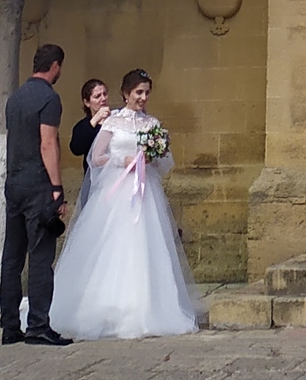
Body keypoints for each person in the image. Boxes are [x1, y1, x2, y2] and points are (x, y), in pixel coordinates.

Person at [51, 67, 207, 340]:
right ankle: (108, 307)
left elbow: (165, 162)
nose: (143, 97)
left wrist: (151, 158)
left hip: (145, 194)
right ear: (125, 94)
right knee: (113, 246)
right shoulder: (113, 122)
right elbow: (95, 157)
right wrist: (120, 161)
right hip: (116, 192)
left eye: (146, 92)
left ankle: (146, 308)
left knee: (146, 247)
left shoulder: (152, 125)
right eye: (138, 92)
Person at [0, 43, 73, 348]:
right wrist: (57, 188)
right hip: (37, 186)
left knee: (12, 257)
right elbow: (48, 143)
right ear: (55, 66)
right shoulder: (49, 98)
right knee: (41, 256)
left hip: (13, 183)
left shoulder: (15, 98)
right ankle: (39, 325)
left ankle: (9, 326)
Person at [67, 78, 110, 212]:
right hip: (93, 182)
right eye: (97, 96)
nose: (103, 99)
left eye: (104, 94)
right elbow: (76, 148)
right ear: (87, 102)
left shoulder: (116, 121)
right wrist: (95, 120)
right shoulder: (82, 126)